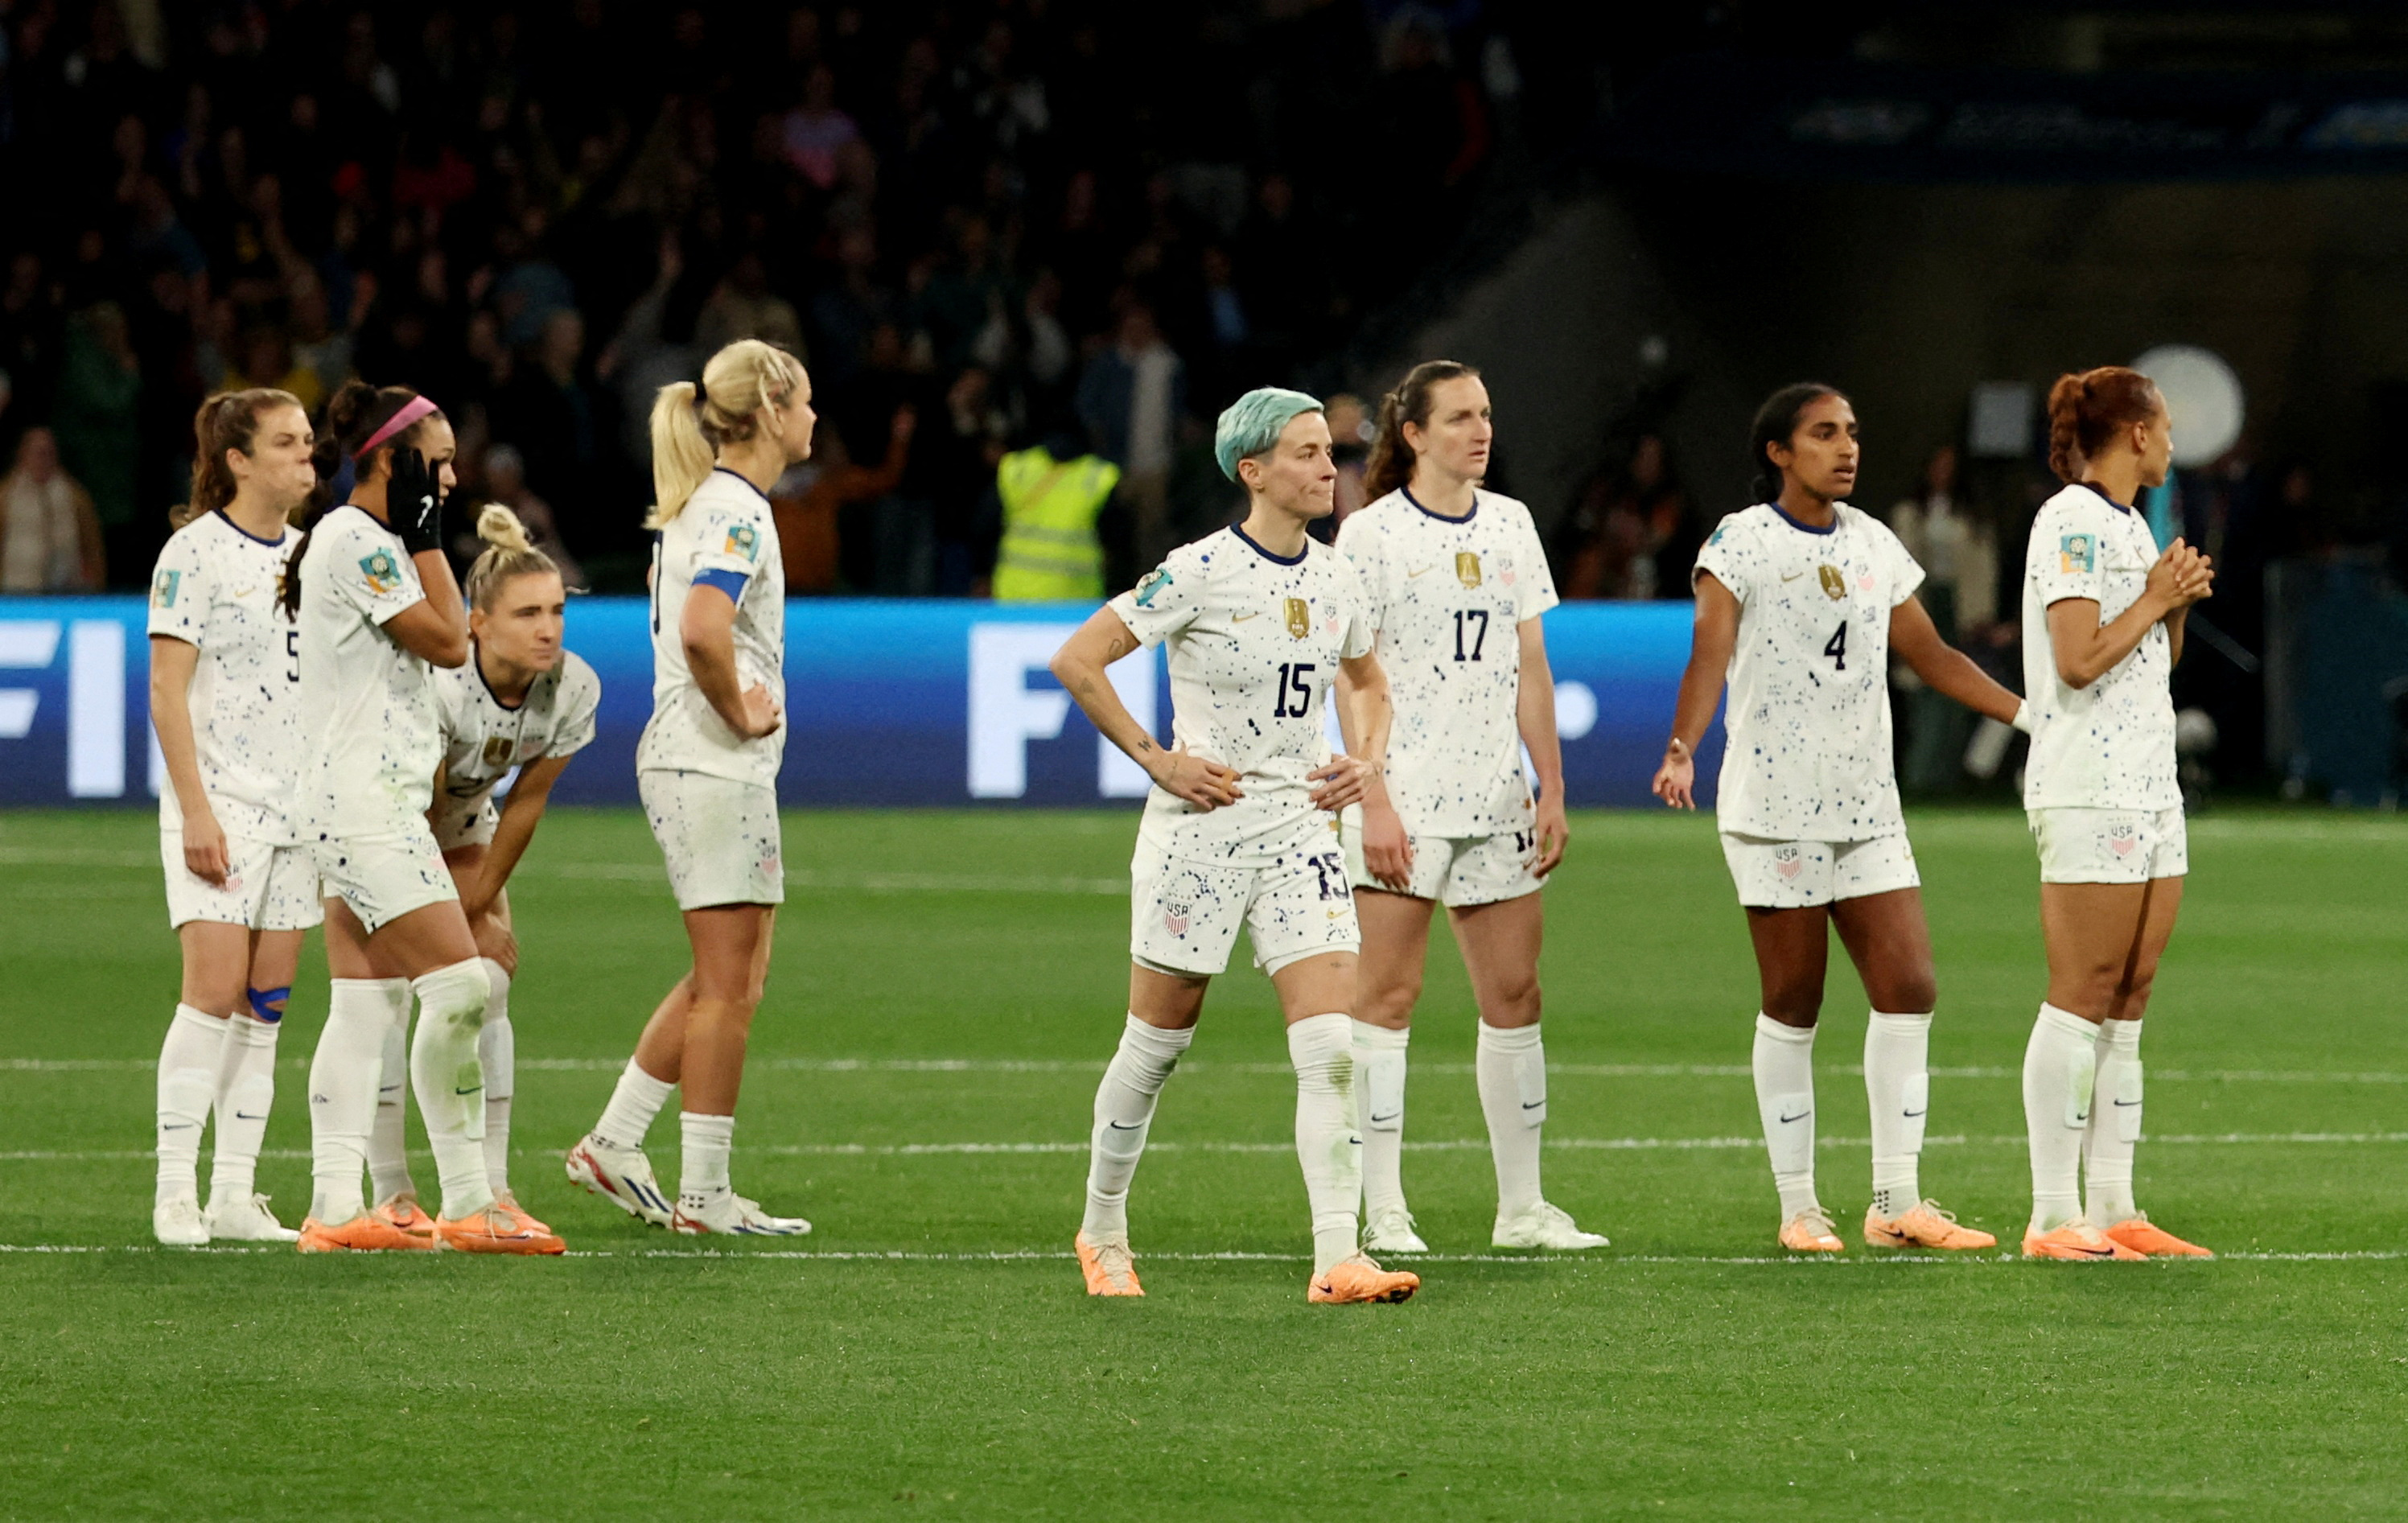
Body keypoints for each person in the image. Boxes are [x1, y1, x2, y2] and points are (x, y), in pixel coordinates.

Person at [1047, 386, 1418, 1306]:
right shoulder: (1197, 571)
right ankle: (1100, 1230)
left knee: (1330, 1044)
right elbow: (1078, 659)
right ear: (1252, 471)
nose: (1327, 465)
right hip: (1202, 837)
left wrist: (1364, 764)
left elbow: (1369, 683)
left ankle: (1337, 1256)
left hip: (1301, 829)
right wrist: (1158, 760)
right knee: (1156, 1044)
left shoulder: (1339, 578)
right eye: (1304, 453)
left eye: (1327, 451)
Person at [1653, 384, 2032, 1253]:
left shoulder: (1872, 543)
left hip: (1865, 805)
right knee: (1794, 1001)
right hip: (1775, 805)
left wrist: (2025, 717)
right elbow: (1707, 655)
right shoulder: (1738, 542)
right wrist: (1682, 745)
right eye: (1823, 434)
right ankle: (1798, 1207)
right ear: (1778, 453)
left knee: (1909, 988)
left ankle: (1896, 1200)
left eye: (1852, 433)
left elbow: (1929, 654)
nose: (1845, 447)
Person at [1331, 360, 1604, 1254]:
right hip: (1402, 797)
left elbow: (1530, 666)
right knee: (1387, 999)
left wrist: (1550, 785)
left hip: (1495, 799)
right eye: (1458, 418)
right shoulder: (1368, 536)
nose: (1479, 431)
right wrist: (1370, 798)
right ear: (1411, 435)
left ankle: (1521, 1210)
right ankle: (1383, 1208)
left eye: (1485, 414)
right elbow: (1351, 675)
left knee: (1514, 995)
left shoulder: (1512, 525)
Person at [284, 379, 562, 1255]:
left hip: (367, 795)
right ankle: (473, 1198)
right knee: (462, 983)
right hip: (363, 800)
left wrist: (417, 534)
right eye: (435, 463)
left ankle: (337, 1207)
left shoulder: (365, 539)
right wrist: (424, 535)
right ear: (390, 460)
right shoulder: (357, 538)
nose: (448, 479)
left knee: (365, 1005)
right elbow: (452, 639)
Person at [565, 339, 813, 1237]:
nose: (816, 419)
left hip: (697, 763)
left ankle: (616, 1142)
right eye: (808, 402)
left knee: (732, 975)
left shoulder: (707, 504)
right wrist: (739, 711)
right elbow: (706, 629)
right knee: (727, 985)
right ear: (775, 408)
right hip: (709, 762)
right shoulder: (738, 511)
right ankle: (703, 1195)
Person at [2016, 367, 2216, 1262]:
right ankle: (2051, 1215)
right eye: (2165, 424)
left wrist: (2172, 603)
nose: (2173, 440)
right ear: (2133, 433)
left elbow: (2148, 661)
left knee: (2129, 998)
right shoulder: (2066, 518)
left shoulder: (2132, 524)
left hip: (2147, 782)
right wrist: (2153, 599)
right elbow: (2075, 658)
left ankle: (2113, 1204)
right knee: (2079, 995)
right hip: (2085, 782)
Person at [360, 504, 598, 1240]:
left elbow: (523, 803)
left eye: (556, 610)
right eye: (527, 613)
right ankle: (393, 1190)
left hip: (463, 822)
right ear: (476, 623)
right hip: (377, 817)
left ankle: (491, 1186)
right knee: (391, 998)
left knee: (489, 980)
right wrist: (441, 909)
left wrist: (482, 900)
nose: (548, 628)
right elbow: (417, 805)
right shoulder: (438, 683)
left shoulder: (573, 688)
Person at [144, 389, 319, 1245]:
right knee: (211, 993)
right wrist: (196, 812)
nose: (306, 455)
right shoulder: (194, 555)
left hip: (297, 814)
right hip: (222, 806)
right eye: (286, 443)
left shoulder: (313, 555)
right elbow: (166, 691)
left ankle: (235, 1195)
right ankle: (175, 1190)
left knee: (265, 1003)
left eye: (309, 441)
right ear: (239, 461)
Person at [1890, 442, 2001, 792]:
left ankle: (1946, 777)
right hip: (1922, 598)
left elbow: (1984, 566)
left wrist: (1984, 613)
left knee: (1957, 688)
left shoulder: (1971, 514)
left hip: (1960, 605)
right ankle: (1919, 774)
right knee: (1921, 687)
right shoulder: (1911, 512)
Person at [0, 426, 106, 591]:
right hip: (14, 592)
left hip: (67, 592)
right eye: (37, 452)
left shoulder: (75, 496)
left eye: (48, 452)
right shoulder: (5, 495)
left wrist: (96, 584)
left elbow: (93, 547)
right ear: (22, 454)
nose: (42, 459)